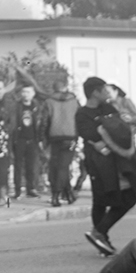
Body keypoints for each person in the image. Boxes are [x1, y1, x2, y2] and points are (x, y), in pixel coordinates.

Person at [75, 77, 136, 255]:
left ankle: (99, 232)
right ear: (95, 92)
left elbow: (119, 128)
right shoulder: (82, 114)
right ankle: (102, 239)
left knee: (129, 198)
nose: (107, 94)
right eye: (103, 90)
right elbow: (89, 133)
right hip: (98, 163)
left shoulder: (108, 108)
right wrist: (102, 134)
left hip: (118, 162)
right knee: (100, 200)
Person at [40, 75, 81, 207]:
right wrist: (78, 137)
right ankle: (57, 195)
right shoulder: (74, 101)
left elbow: (44, 122)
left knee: (57, 166)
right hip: (70, 137)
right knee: (63, 167)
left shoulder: (49, 102)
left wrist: (43, 139)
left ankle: (66, 194)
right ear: (65, 88)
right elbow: (80, 120)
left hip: (54, 137)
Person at [8, 84, 42, 198]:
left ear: (33, 94)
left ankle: (31, 188)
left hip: (32, 139)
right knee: (18, 165)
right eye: (23, 92)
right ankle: (17, 190)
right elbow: (12, 122)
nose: (25, 94)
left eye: (28, 92)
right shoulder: (17, 106)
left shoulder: (36, 106)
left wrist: (40, 138)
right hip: (19, 139)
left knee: (31, 166)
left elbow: (40, 122)